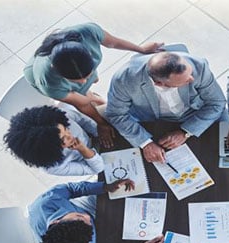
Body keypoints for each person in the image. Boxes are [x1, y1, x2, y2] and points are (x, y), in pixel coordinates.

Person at [24, 22, 164, 148]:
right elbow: (82, 104)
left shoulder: (88, 31)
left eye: (88, 75)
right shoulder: (49, 82)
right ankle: (92, 96)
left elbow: (113, 43)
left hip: (74, 70)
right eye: (76, 80)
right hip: (47, 81)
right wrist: (101, 124)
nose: (84, 82)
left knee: (88, 92)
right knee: (85, 97)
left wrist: (141, 49)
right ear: (55, 68)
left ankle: (93, 95)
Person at [105, 51, 227, 163]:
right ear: (159, 83)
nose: (191, 79)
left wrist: (186, 132)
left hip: (194, 113)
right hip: (152, 121)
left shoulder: (198, 66)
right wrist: (145, 143)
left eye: (189, 74)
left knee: (220, 155)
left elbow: (217, 102)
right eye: (184, 81)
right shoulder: (124, 79)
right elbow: (116, 114)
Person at [28, 179, 165, 243]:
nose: (88, 218)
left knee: (134, 188)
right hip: (97, 237)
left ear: (57, 221)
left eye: (80, 218)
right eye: (88, 225)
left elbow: (70, 189)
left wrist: (105, 187)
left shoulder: (47, 201)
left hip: (83, 206)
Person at [3, 105, 103, 176]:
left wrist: (100, 134)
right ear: (51, 148)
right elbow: (97, 168)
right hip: (93, 159)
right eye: (63, 139)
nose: (69, 135)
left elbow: (84, 121)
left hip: (97, 139)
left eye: (66, 129)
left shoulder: (61, 119)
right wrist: (82, 149)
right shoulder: (53, 167)